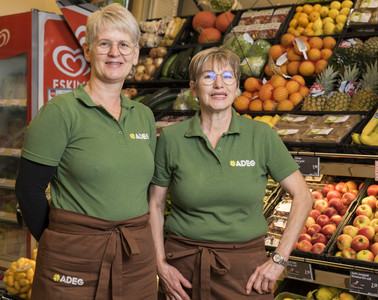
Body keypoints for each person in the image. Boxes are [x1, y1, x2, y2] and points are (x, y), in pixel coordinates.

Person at [15, 4, 157, 300]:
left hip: (134, 257)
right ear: (88, 50)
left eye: (123, 45)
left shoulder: (143, 115)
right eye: (104, 43)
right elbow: (29, 189)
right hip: (74, 258)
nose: (114, 53)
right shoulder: (60, 112)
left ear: (135, 53)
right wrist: (60, 242)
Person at [148, 47, 313, 300]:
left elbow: (303, 196)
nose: (218, 84)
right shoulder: (171, 138)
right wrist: (160, 264)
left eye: (227, 76)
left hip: (247, 272)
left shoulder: (261, 135)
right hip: (182, 271)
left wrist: (279, 260)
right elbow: (156, 205)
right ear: (194, 88)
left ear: (237, 88)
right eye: (208, 77)